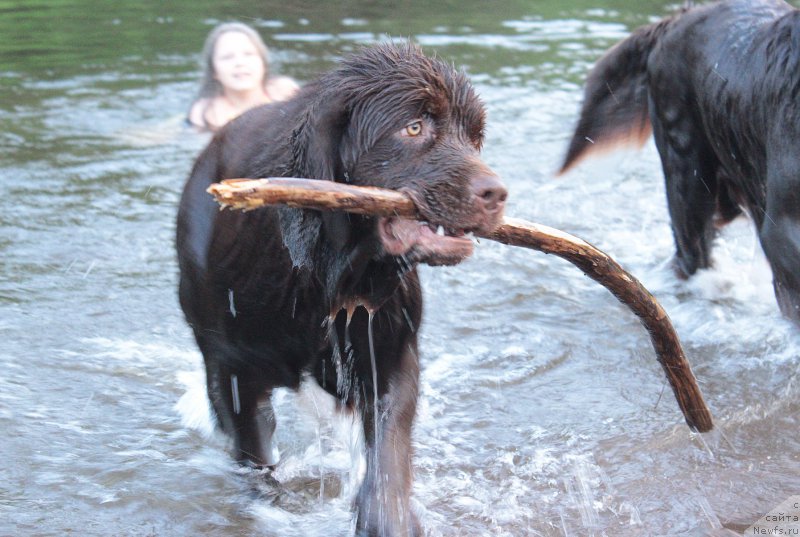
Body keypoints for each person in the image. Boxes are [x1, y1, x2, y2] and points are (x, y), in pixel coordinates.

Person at [188, 22, 299, 131]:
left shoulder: (285, 93)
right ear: (214, 72)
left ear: (263, 63)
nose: (240, 63)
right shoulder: (207, 114)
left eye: (248, 54)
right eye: (227, 57)